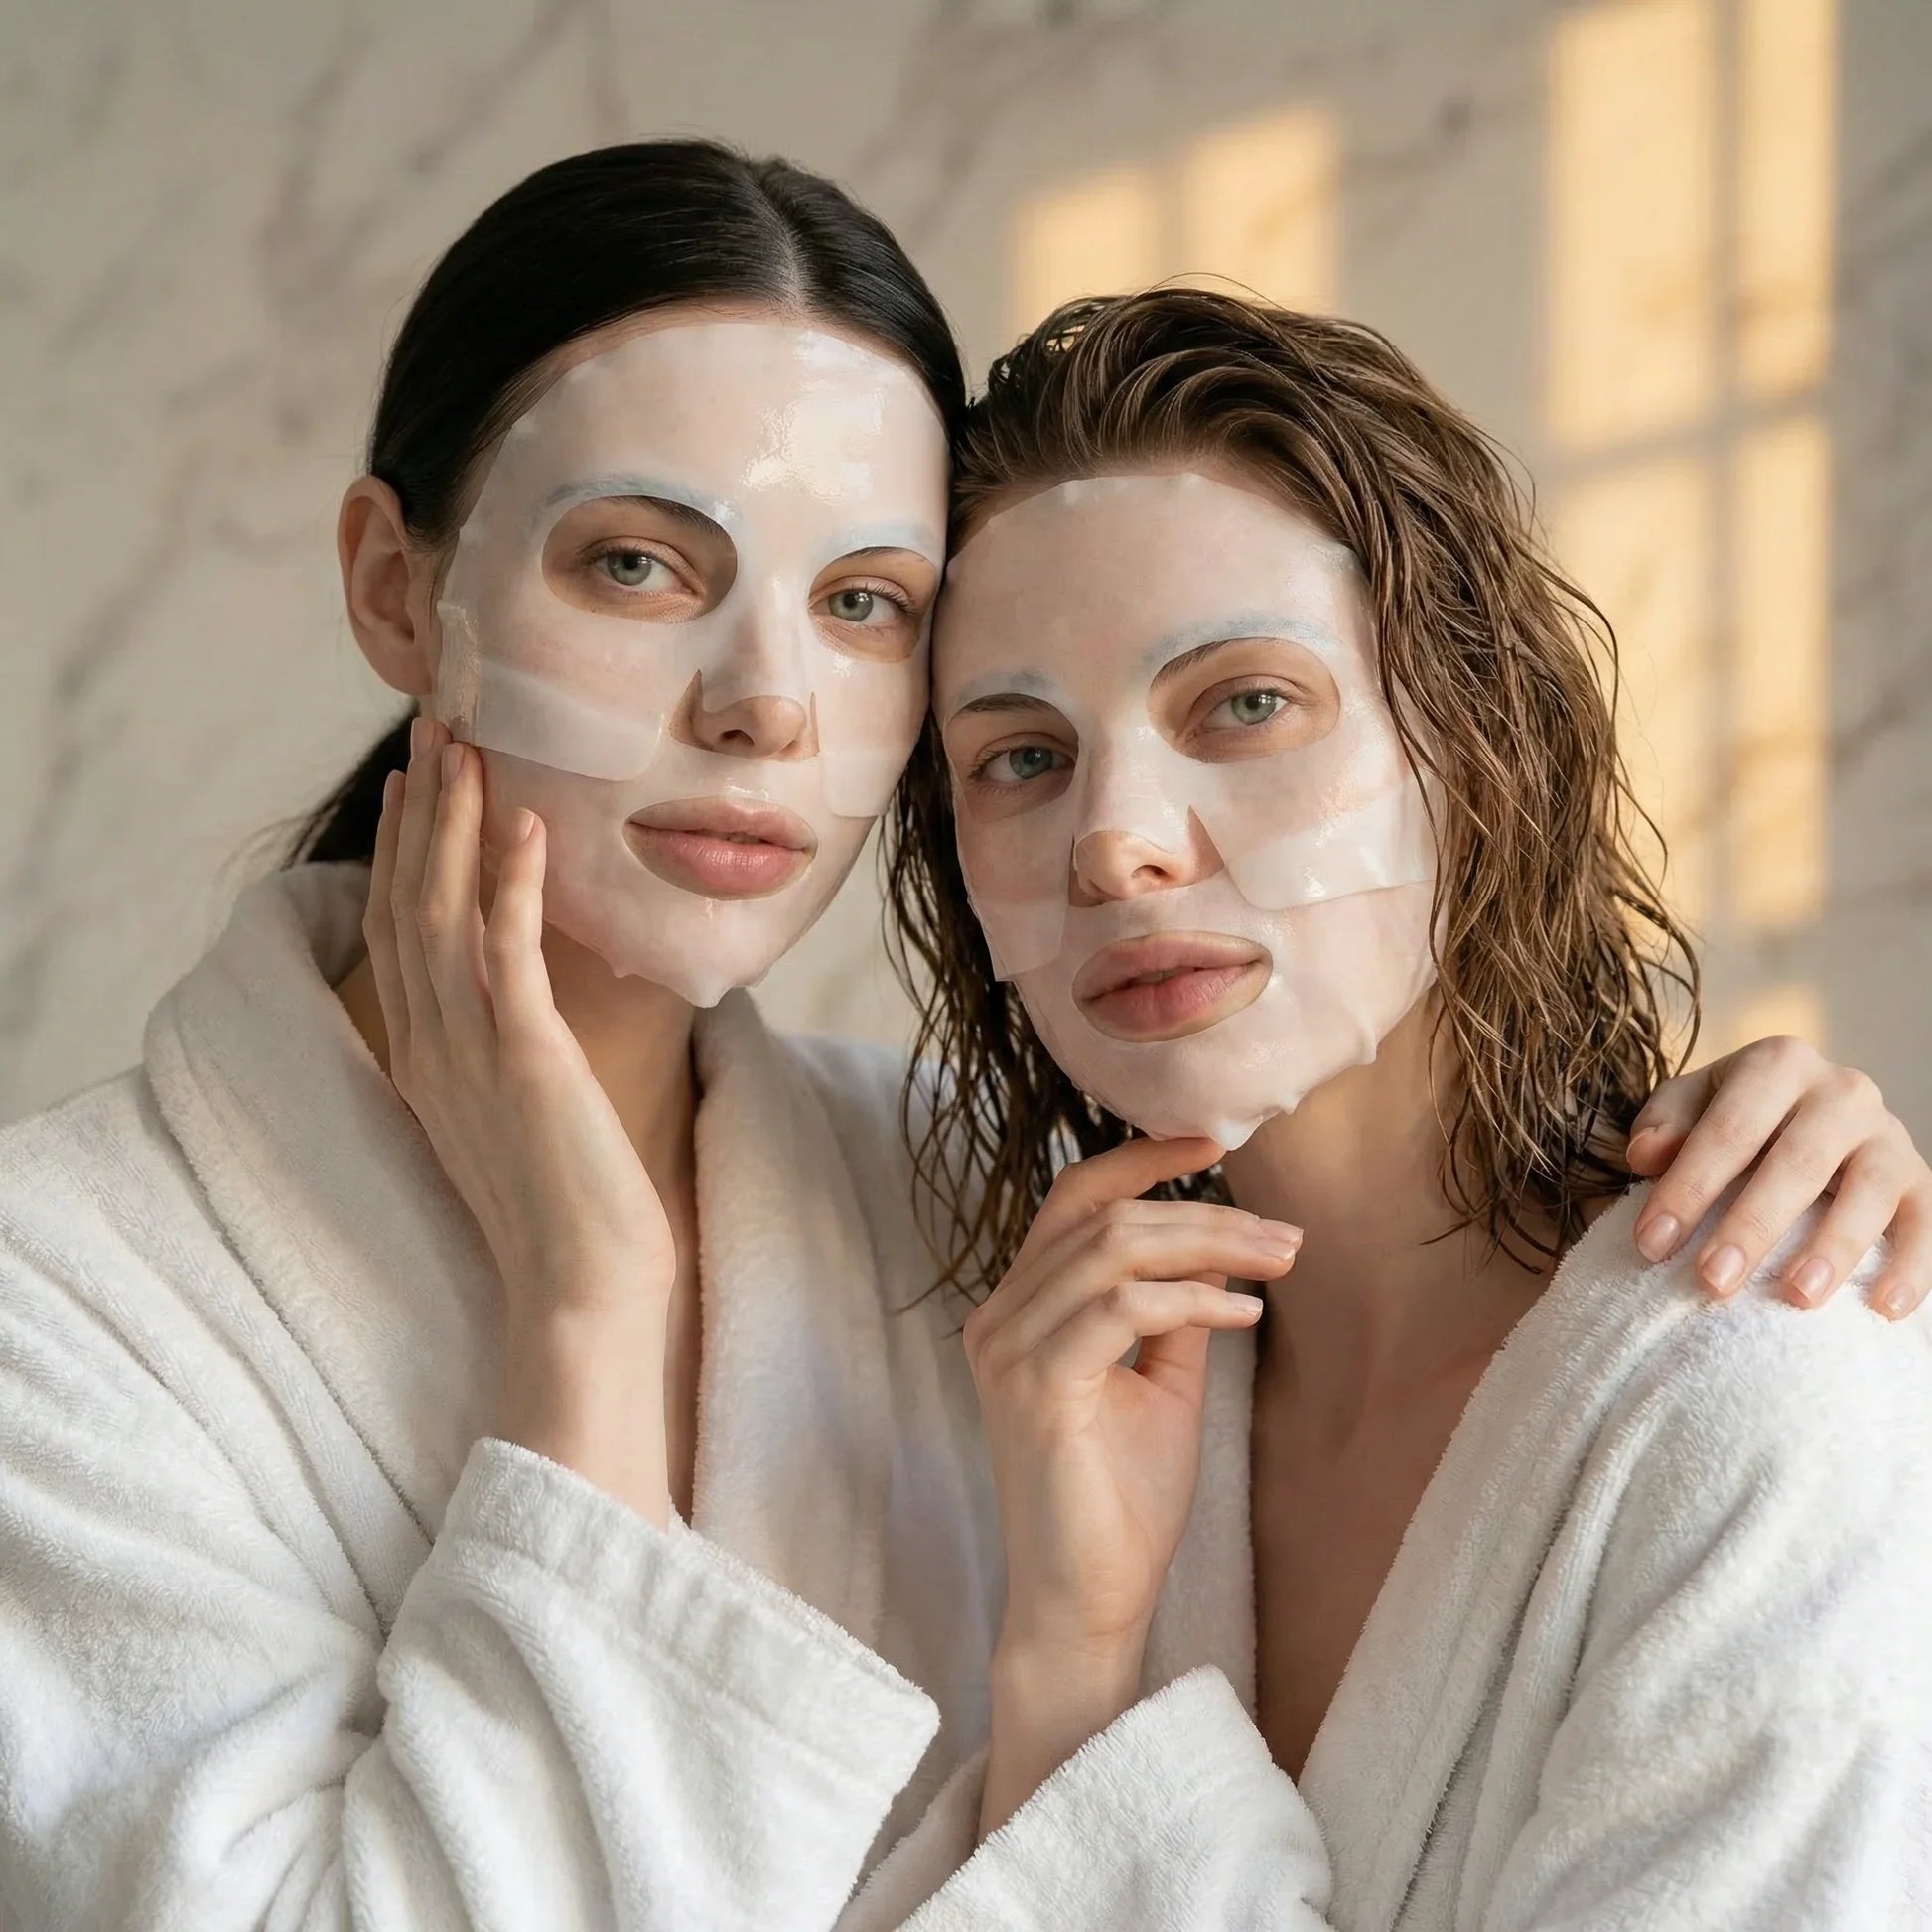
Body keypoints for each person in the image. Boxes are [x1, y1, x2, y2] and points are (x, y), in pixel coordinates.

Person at [0, 142, 1923, 1930]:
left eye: (861, 602)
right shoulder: (61, 1303)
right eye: (635, 562)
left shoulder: (975, 1241)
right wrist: (587, 1303)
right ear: (394, 586)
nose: (763, 703)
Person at [874, 289, 1932, 1926]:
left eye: (1242, 700)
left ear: (1470, 739)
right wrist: (1070, 1647)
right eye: (1019, 756)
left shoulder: (1760, 1368)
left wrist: (1080, 1722)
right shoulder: (1069, 1402)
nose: (1113, 842)